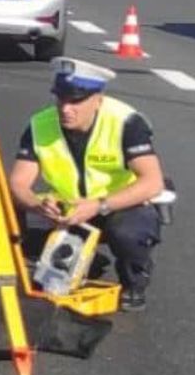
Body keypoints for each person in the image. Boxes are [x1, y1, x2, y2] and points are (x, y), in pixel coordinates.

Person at [9, 57, 165, 312]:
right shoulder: (40, 125)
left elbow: (152, 181)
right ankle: (85, 261)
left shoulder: (125, 121)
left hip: (116, 205)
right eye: (61, 99)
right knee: (8, 215)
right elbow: (18, 183)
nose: (66, 108)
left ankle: (134, 281)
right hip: (66, 210)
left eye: (76, 101)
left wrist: (98, 205)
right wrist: (38, 204)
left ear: (97, 99)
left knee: (128, 234)